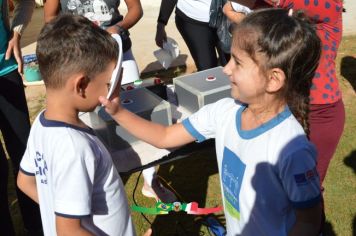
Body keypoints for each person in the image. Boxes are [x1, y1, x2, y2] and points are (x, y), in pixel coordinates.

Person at [100, 8, 323, 235]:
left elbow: (309, 222)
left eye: (237, 62)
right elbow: (164, 136)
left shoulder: (291, 148)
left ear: (273, 79)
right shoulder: (223, 112)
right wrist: (117, 111)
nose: (225, 69)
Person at [16, 14, 150, 236]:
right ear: (81, 85)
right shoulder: (74, 148)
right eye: (108, 84)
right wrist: (64, 221)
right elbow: (69, 232)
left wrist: (58, 210)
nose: (113, 91)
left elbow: (25, 181)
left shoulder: (41, 123)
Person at [44, 0, 176, 203]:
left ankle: (151, 180)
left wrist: (118, 28)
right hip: (78, 59)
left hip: (118, 51)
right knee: (82, 120)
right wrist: (72, 37)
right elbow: (49, 17)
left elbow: (136, 9)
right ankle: (91, 182)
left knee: (140, 110)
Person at [232, 0, 345, 191]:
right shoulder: (284, 11)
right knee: (277, 184)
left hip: (320, 113)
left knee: (307, 188)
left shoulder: (330, 6)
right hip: (284, 105)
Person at [0, 0, 43, 235]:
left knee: (24, 154)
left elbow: (26, 2)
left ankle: (36, 225)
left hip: (6, 70)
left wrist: (16, 33)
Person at [155, 0, 230, 71]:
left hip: (227, 16)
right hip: (194, 21)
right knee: (207, 69)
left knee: (231, 65)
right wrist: (161, 25)